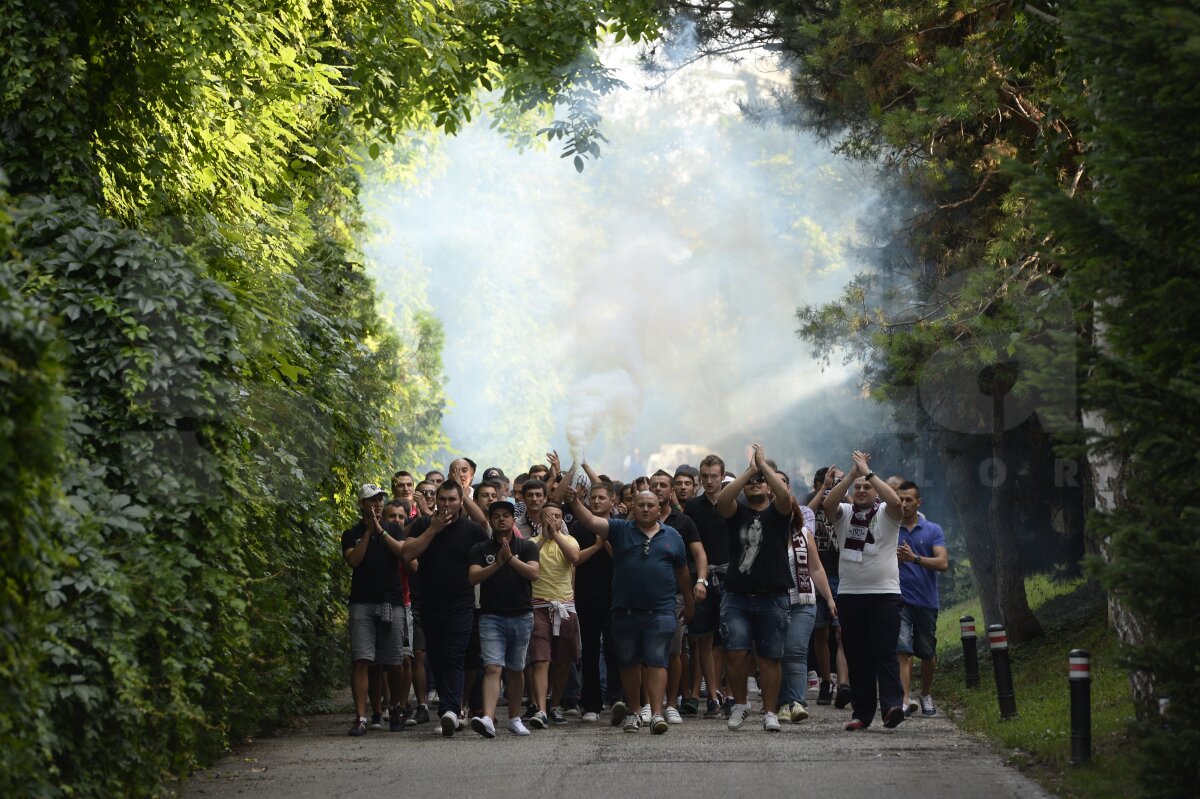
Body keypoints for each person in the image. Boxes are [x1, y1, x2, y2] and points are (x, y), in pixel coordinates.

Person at [569, 489, 694, 734]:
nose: (646, 509)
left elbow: (683, 573)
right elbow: (589, 521)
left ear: (659, 509)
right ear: (633, 508)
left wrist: (689, 604)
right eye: (641, 505)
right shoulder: (619, 529)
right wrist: (574, 501)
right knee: (629, 662)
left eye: (651, 505)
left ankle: (657, 714)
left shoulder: (674, 536)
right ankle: (634, 712)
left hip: (661, 610)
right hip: (625, 610)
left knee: (658, 660)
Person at [822, 451, 906, 730]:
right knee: (858, 655)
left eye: (866, 487)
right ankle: (862, 713)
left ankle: (892, 705)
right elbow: (828, 504)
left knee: (884, 651)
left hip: (885, 594)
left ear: (875, 490)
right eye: (857, 488)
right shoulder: (845, 513)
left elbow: (896, 501)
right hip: (850, 594)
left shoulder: (886, 513)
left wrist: (868, 473)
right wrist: (851, 475)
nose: (860, 491)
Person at [716, 444, 794, 732]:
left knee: (770, 657)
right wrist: (750, 470)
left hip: (772, 597)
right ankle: (739, 704)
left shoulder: (779, 512)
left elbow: (785, 496)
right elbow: (722, 500)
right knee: (735, 653)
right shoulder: (736, 512)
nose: (755, 484)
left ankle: (770, 712)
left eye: (760, 481)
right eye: (749, 483)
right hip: (736, 596)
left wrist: (764, 468)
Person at [403, 481, 488, 736]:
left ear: (461, 501)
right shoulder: (422, 525)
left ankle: (451, 710)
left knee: (454, 655)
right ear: (436, 501)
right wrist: (432, 530)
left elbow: (487, 559)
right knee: (437, 658)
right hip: (429, 603)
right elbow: (406, 554)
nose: (447, 505)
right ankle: (450, 709)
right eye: (443, 500)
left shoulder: (472, 530)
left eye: (452, 499)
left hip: (462, 603)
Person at [467, 500, 541, 737]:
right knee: (492, 666)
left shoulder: (527, 546)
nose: (501, 519)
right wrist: (498, 563)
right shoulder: (479, 549)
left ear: (512, 519)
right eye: (496, 515)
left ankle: (514, 717)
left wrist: (510, 559)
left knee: (516, 668)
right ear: (490, 520)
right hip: (491, 616)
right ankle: (488, 718)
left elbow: (533, 573)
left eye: (506, 515)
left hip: (521, 614)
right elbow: (473, 577)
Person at [342, 484, 408, 736]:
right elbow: (353, 561)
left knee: (394, 661)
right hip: (362, 602)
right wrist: (368, 533)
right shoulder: (351, 533)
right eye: (371, 500)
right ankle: (360, 716)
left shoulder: (394, 529)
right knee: (362, 660)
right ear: (361, 504)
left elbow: (402, 554)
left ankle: (395, 708)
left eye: (380, 499)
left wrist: (380, 530)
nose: (377, 504)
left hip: (391, 601)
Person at [649, 470, 706, 725]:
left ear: (670, 490)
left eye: (663, 485)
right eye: (654, 485)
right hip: (643, 597)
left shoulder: (682, 522)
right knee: (644, 653)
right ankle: (648, 705)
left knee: (674, 651)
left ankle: (672, 703)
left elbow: (699, 555)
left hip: (674, 597)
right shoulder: (636, 520)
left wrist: (699, 583)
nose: (659, 489)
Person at [778, 478, 837, 723]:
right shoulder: (766, 534)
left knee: (796, 651)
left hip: (803, 600)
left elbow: (816, 569)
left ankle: (797, 702)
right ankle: (780, 703)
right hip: (774, 602)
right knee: (777, 653)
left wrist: (830, 599)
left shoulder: (804, 534)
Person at [894, 480, 948, 717]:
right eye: (900, 499)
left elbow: (942, 563)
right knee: (902, 650)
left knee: (927, 653)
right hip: (899, 600)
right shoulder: (891, 528)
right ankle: (904, 699)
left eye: (908, 500)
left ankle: (925, 693)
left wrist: (914, 558)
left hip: (926, 601)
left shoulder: (933, 529)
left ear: (918, 502)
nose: (904, 504)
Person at [572, 481, 624, 724]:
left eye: (602, 497)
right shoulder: (581, 527)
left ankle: (617, 700)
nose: (596, 501)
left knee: (615, 650)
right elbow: (572, 561)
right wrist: (595, 546)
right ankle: (590, 703)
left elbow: (626, 559)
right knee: (589, 652)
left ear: (612, 500)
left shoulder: (620, 528)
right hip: (586, 596)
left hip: (616, 597)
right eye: (593, 497)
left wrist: (607, 544)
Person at [684, 454, 732, 718]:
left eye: (714, 476)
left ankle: (729, 691)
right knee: (702, 637)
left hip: (729, 576)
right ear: (699, 479)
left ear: (722, 476)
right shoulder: (693, 506)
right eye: (705, 476)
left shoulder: (733, 502)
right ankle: (712, 695)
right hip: (701, 577)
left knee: (726, 639)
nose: (710, 481)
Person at [525, 502, 581, 727]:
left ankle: (555, 705)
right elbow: (527, 560)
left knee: (562, 661)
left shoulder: (569, 540)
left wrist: (556, 536)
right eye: (547, 517)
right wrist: (543, 537)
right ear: (539, 520)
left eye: (557, 516)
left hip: (565, 607)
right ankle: (540, 709)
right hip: (538, 606)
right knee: (541, 659)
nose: (552, 521)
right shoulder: (530, 543)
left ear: (562, 519)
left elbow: (575, 558)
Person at [807, 466, 851, 708]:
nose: (833, 487)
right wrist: (824, 488)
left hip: (844, 574)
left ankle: (843, 683)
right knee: (821, 631)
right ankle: (826, 680)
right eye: (827, 484)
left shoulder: (848, 505)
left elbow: (860, 513)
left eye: (838, 483)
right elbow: (805, 516)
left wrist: (844, 489)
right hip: (817, 574)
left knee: (841, 631)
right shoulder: (810, 503)